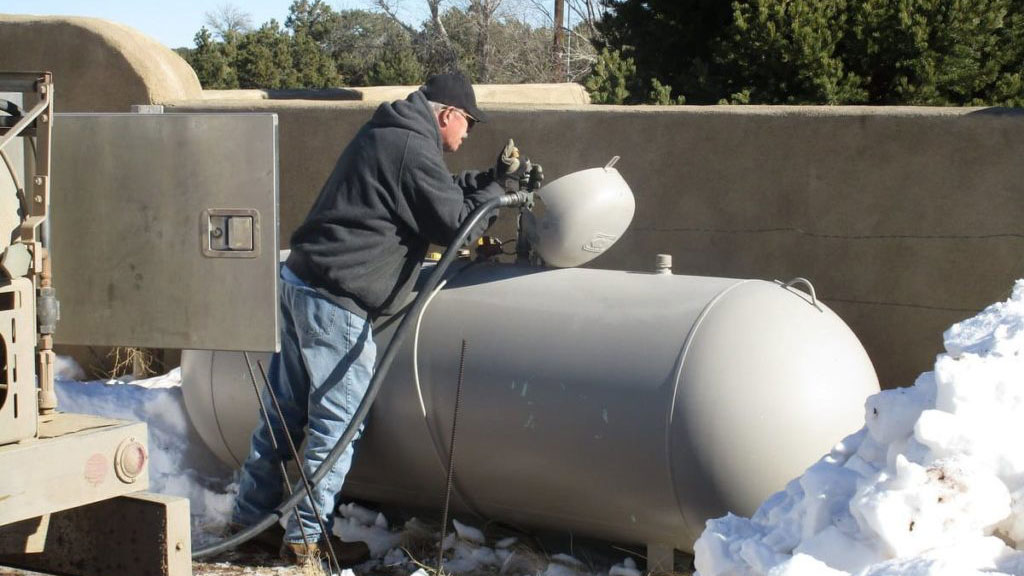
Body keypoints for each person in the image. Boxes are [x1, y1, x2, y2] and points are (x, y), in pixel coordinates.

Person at [230, 72, 526, 566]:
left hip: (301, 281)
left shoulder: (391, 132)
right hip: (336, 301)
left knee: (284, 416)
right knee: (337, 423)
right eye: (469, 125)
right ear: (448, 114)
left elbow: (437, 190)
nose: (467, 135)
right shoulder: (411, 145)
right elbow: (453, 223)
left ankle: (248, 522)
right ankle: (305, 543)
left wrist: (485, 181)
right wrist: (498, 193)